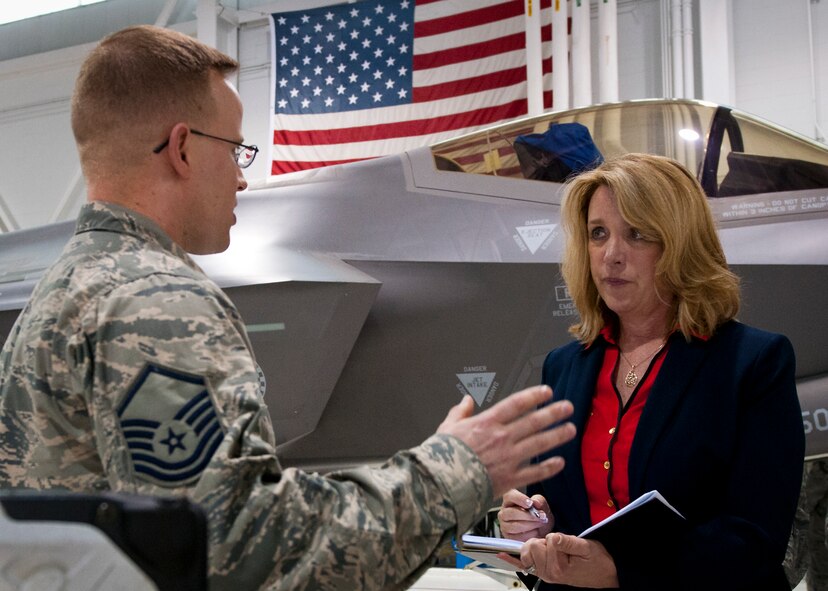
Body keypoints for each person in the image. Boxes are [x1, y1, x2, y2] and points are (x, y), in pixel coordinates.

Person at [0, 25, 577, 590]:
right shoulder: (159, 302)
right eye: (234, 150)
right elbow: (235, 550)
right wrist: (455, 470)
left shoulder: (54, 298)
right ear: (181, 149)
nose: (242, 179)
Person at [496, 153, 804, 590]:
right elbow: (558, 512)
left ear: (681, 243)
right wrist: (536, 528)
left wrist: (621, 570)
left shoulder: (753, 363)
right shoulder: (563, 365)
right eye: (598, 234)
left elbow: (754, 540)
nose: (612, 256)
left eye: (637, 234)